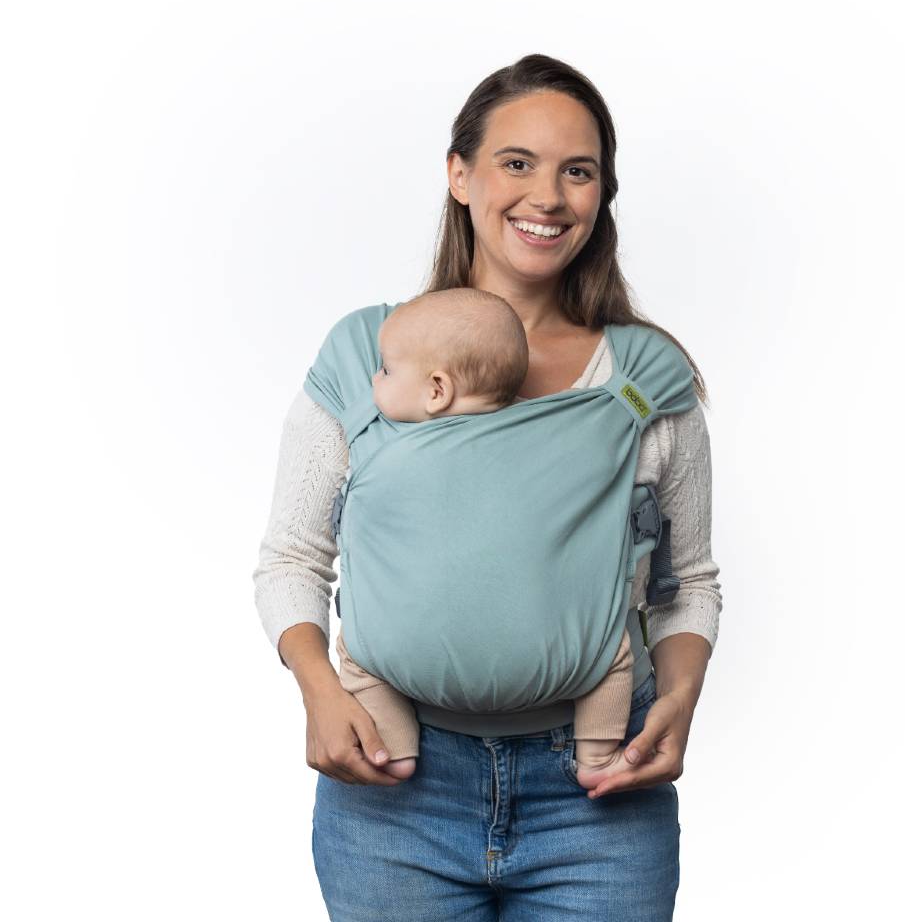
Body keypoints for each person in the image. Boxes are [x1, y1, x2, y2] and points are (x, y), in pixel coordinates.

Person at [254, 53, 722, 921]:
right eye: (517, 163)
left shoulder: (642, 381)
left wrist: (681, 701)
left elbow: (685, 582)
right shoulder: (371, 358)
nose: (548, 196)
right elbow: (292, 556)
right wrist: (319, 688)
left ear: (602, 195)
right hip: (394, 788)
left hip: (598, 789)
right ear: (459, 175)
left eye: (577, 171)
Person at [331, 286, 640, 789]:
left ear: (437, 390)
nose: (373, 379)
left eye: (385, 370)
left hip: (395, 656)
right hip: (569, 662)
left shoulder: (383, 445)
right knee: (611, 655)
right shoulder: (564, 435)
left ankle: (392, 749)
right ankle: (598, 756)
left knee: (358, 654)